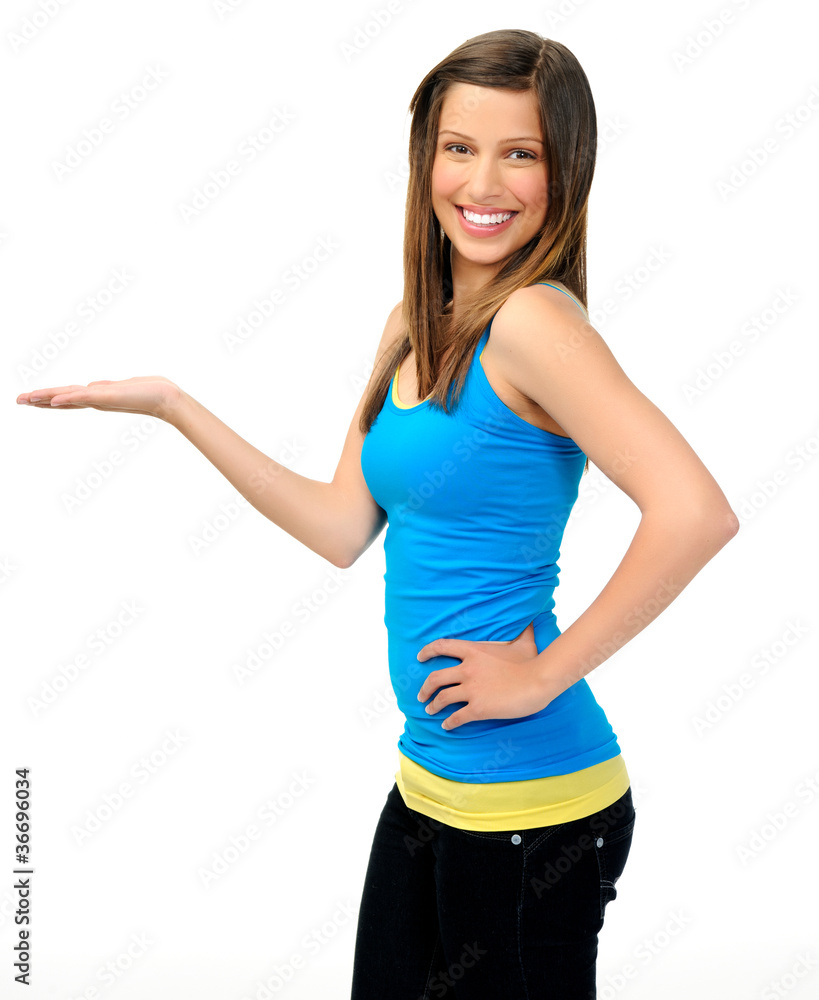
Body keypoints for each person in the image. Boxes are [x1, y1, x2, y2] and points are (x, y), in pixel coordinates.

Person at [17, 28, 738, 1000]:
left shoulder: (535, 324)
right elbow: (340, 527)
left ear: (565, 170)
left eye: (520, 153)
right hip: (427, 786)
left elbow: (695, 512)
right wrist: (174, 406)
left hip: (532, 810)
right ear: (424, 159)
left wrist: (542, 673)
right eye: (458, 147)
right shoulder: (412, 325)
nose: (483, 182)